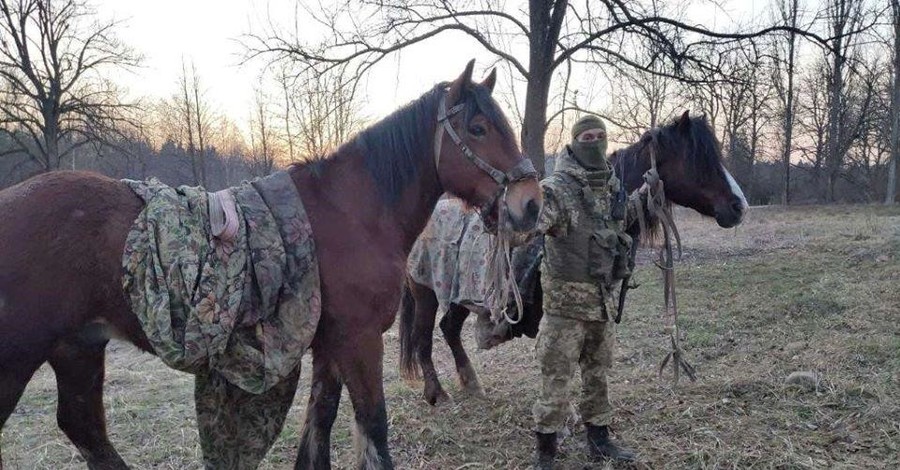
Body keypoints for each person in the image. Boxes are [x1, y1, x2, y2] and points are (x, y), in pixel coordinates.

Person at [532, 114, 635, 468]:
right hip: (565, 310)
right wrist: (511, 217)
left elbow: (623, 220)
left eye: (600, 136)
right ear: (575, 143)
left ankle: (600, 441)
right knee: (555, 379)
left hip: (602, 304)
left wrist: (650, 195)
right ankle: (545, 451)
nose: (594, 142)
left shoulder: (612, 185)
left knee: (598, 376)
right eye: (586, 137)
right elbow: (533, 220)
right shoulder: (557, 188)